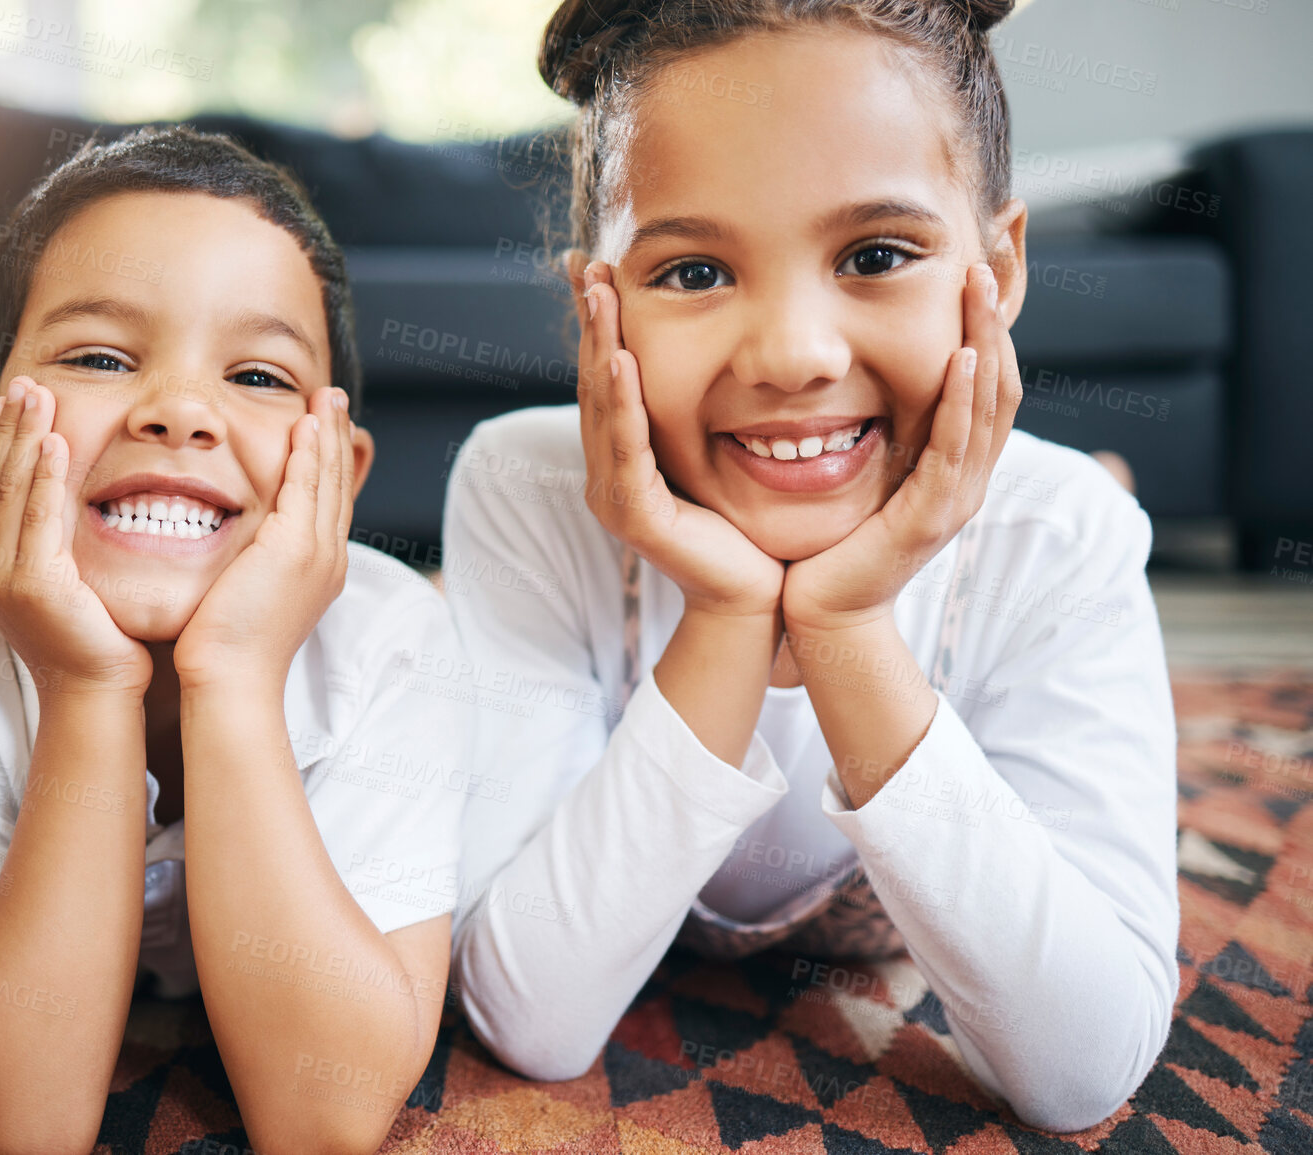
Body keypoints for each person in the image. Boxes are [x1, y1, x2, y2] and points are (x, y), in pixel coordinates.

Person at [446, 0, 1178, 1132]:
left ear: (998, 267)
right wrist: (730, 611)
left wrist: (845, 629)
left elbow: (1083, 1070)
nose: (793, 355)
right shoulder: (523, 484)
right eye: (693, 273)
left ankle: (1112, 476)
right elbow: (530, 1017)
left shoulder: (1060, 530)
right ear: (595, 307)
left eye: (876, 255)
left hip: (1046, 521)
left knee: (1072, 505)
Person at [0, 126, 469, 1155]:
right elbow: (19, 1123)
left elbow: (325, 1118)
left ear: (338, 474)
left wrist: (239, 681)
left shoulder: (392, 643)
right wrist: (85, 690)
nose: (180, 413)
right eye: (102, 357)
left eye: (258, 376)